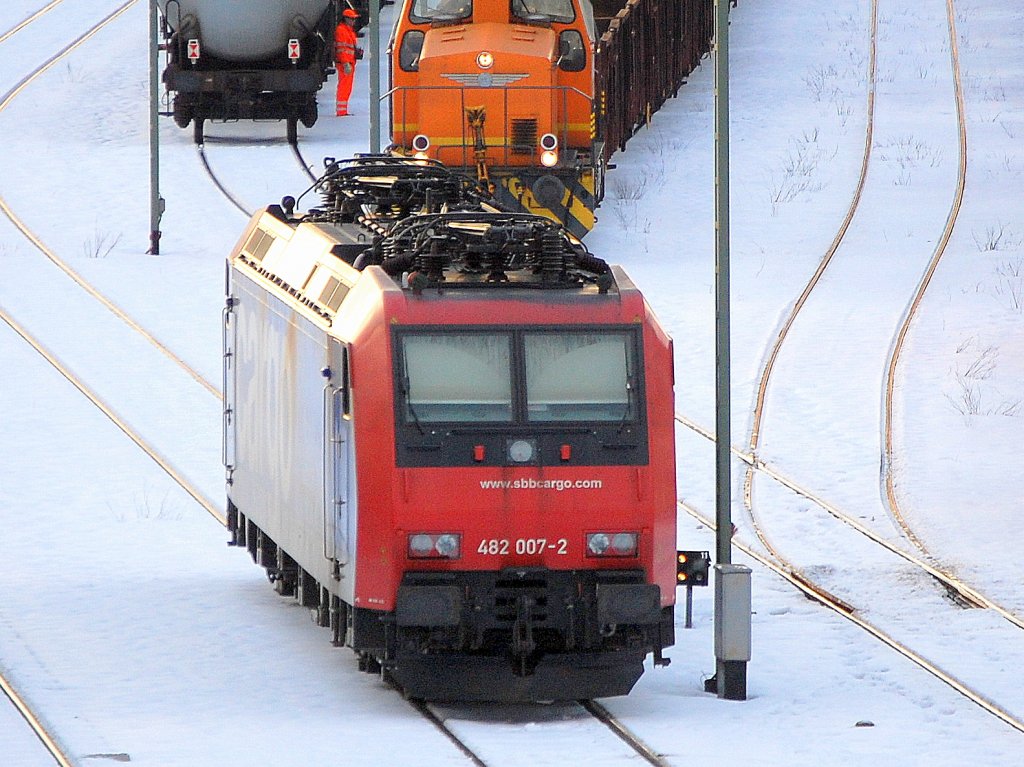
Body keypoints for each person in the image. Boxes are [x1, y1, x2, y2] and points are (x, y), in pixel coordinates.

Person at [334, 8, 360, 116]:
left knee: (347, 87)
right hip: (345, 64)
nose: (354, 21)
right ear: (346, 19)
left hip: (349, 62)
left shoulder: (348, 31)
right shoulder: (341, 31)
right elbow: (341, 49)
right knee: (344, 87)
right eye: (352, 19)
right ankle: (341, 110)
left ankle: (343, 109)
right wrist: (345, 63)